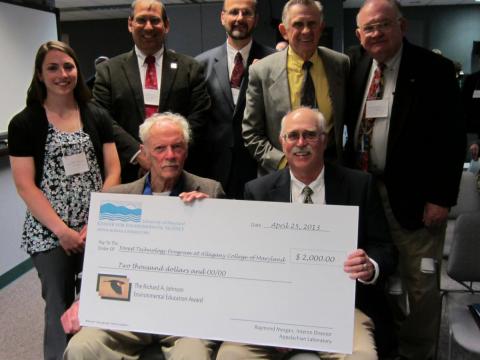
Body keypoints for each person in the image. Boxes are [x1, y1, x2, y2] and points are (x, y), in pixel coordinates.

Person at [217, 107, 397, 360]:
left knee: (362, 357)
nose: (301, 143)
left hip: (340, 312)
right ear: (282, 142)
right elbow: (247, 263)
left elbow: (385, 248)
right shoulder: (257, 191)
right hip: (272, 313)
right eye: (293, 136)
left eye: (310, 135)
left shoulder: (359, 185)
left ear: (324, 140)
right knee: (232, 356)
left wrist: (370, 266)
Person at [345, 1, 465, 358]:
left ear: (403, 26)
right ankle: (388, 344)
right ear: (358, 35)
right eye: (368, 28)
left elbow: (452, 139)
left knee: (421, 283)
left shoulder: (434, 70)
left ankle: (418, 352)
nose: (376, 33)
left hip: (417, 199)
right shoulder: (355, 65)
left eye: (383, 25)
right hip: (365, 193)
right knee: (374, 275)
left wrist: (441, 198)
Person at [62, 112, 224, 360]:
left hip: (185, 316)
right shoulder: (117, 200)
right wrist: (82, 302)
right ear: (145, 153)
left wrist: (208, 217)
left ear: (186, 151)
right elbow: (101, 264)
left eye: (177, 147)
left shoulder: (210, 192)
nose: (170, 155)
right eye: (160, 148)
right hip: (127, 310)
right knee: (81, 348)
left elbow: (224, 263)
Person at [8, 40, 121, 360]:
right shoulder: (24, 122)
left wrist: (95, 221)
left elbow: (113, 170)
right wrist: (62, 231)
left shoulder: (95, 114)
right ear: (40, 75)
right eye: (53, 68)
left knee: (100, 300)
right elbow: (25, 186)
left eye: (68, 66)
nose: (63, 74)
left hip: (97, 228)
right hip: (49, 233)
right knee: (57, 305)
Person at [93, 0, 211, 183]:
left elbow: (200, 116)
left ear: (166, 25)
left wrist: (166, 153)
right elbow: (103, 119)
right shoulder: (108, 71)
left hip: (179, 173)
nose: (148, 27)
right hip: (126, 174)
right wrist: (138, 153)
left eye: (155, 20)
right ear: (130, 24)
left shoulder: (190, 68)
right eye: (141, 20)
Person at [242, 0, 349, 175]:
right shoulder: (262, 71)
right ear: (284, 31)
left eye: (312, 24)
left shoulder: (340, 64)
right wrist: (285, 163)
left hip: (332, 172)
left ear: (321, 27)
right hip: (281, 173)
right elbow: (251, 132)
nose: (306, 31)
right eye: (298, 24)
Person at [195, 0, 274, 198]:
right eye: (233, 12)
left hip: (259, 168)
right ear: (223, 17)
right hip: (213, 170)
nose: (239, 18)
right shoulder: (200, 64)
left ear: (255, 19)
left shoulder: (273, 61)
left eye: (246, 13)